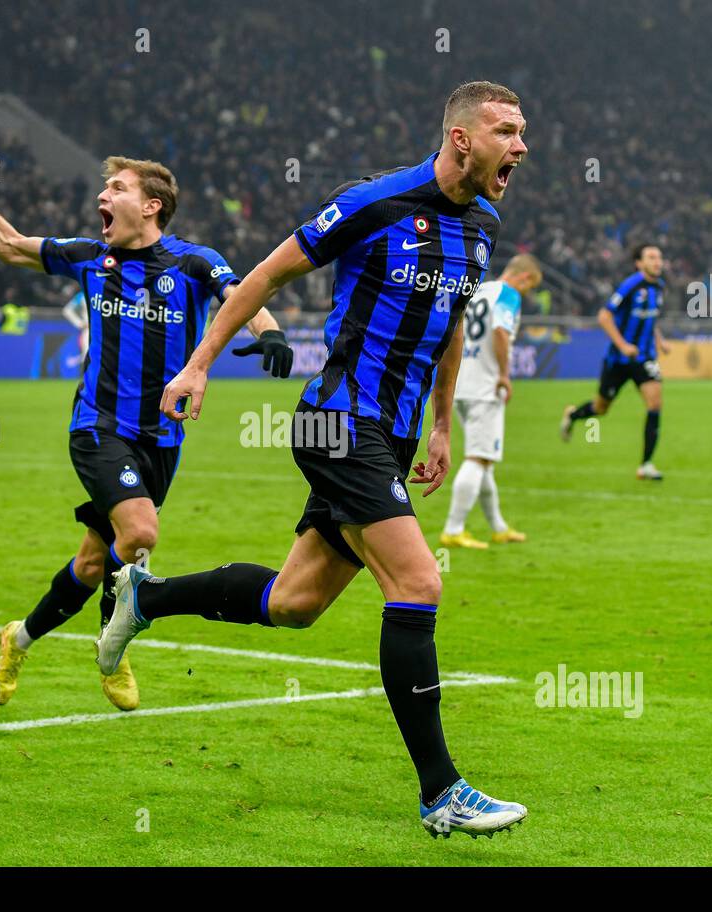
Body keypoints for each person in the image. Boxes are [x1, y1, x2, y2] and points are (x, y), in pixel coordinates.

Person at [99, 81, 531, 837]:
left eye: (523, 131)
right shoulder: (373, 204)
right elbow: (265, 275)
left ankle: (146, 599)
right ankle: (442, 791)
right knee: (420, 579)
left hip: (391, 434)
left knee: (295, 604)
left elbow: (451, 319)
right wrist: (199, 362)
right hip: (337, 421)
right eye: (506, 130)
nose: (521, 146)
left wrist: (439, 424)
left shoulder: (486, 223)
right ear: (463, 138)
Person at [0, 131, 294, 712]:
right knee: (139, 534)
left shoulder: (193, 262)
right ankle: (116, 639)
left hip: (162, 439)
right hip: (98, 428)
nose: (102, 196)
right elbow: (10, 244)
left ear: (150, 205)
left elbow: (242, 295)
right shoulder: (92, 256)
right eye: (103, 187)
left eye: (115, 187)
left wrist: (270, 334)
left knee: (95, 561)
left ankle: (19, 639)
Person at [440, 253, 541, 549]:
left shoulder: (480, 289)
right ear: (523, 277)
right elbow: (500, 331)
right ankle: (453, 529)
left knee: (484, 461)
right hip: (485, 386)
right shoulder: (508, 294)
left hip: (461, 383)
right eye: (530, 286)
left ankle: (498, 526)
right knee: (479, 458)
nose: (527, 292)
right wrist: (504, 374)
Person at [560, 243, 670, 479]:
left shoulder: (659, 287)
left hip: (645, 357)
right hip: (619, 358)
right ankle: (572, 415)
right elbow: (604, 315)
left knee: (655, 403)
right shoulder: (631, 285)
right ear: (639, 263)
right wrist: (622, 345)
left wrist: (660, 341)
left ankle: (646, 465)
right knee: (601, 408)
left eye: (659, 257)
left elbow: (652, 318)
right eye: (651, 257)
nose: (657, 261)